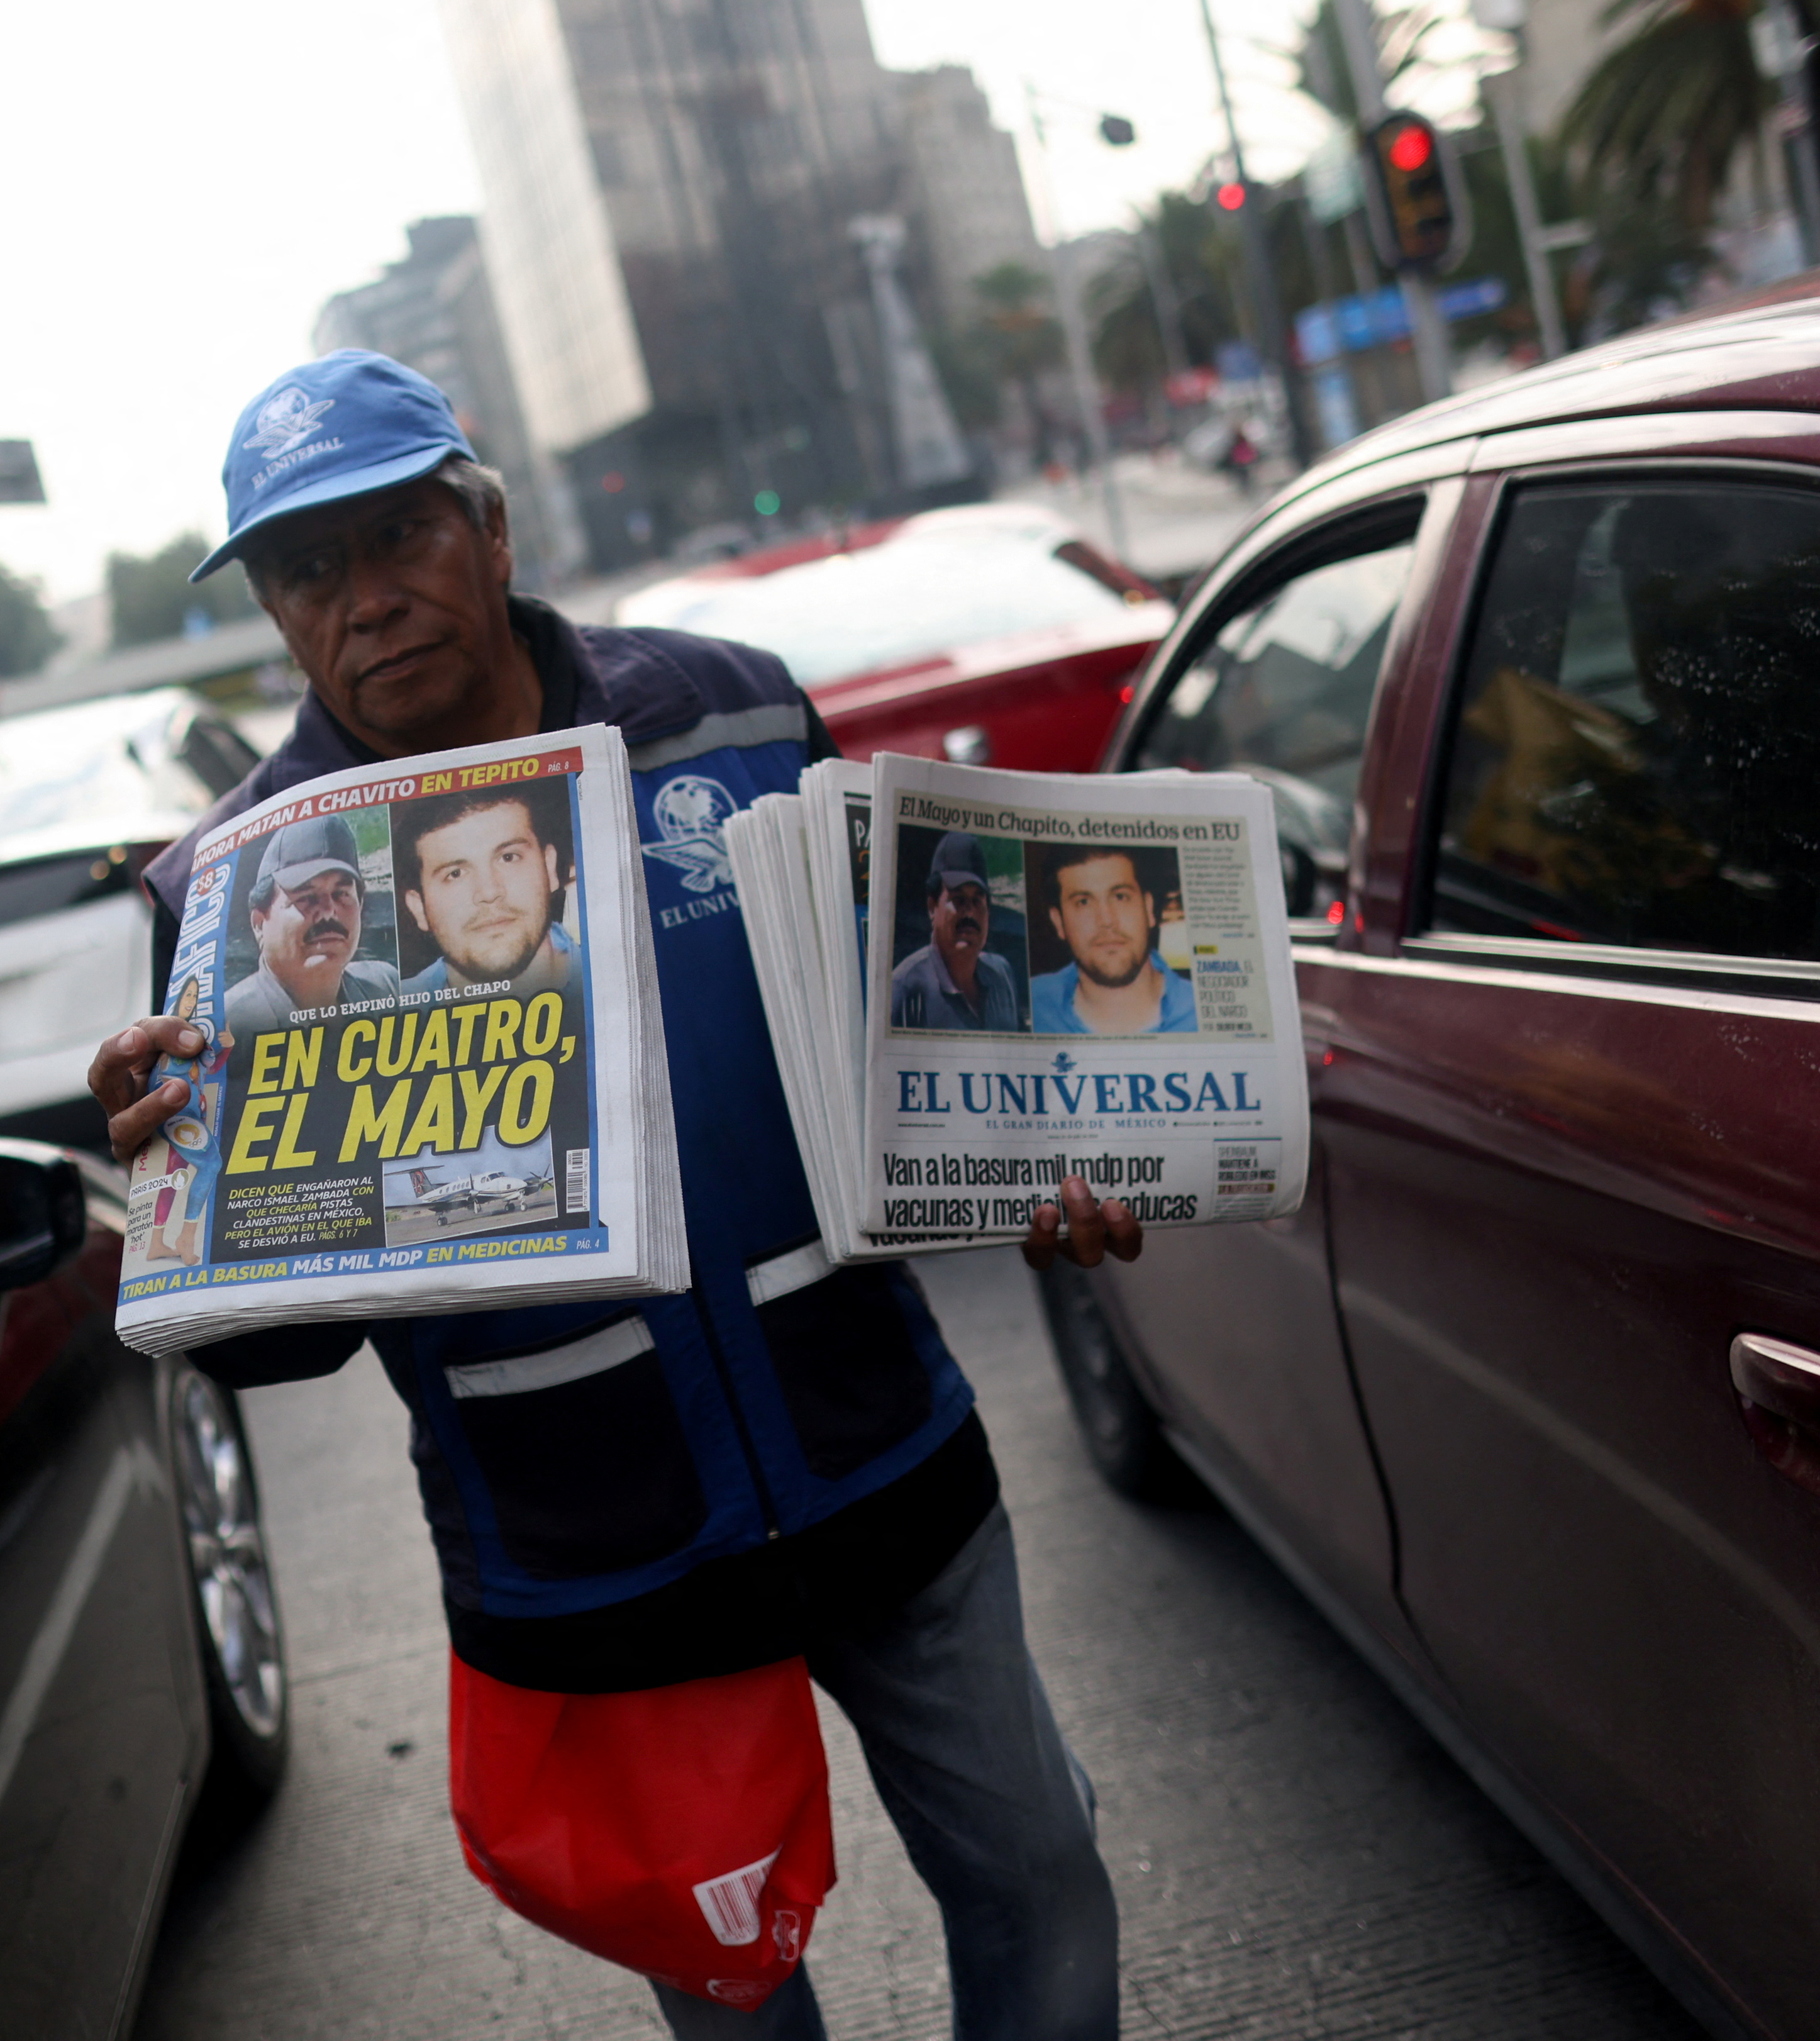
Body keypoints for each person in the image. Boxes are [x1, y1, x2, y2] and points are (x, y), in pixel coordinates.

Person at [84, 350, 1144, 2041]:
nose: (364, 598)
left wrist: (1045, 1162)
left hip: (878, 1446)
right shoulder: (239, 886)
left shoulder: (730, 707)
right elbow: (272, 1356)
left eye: (397, 534)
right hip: (598, 1538)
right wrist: (186, 1196)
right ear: (274, 614)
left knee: (1039, 1877)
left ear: (486, 526)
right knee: (733, 1997)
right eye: (307, 569)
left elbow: (914, 1044)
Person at [397, 780, 583, 1001]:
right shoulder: (391, 1009)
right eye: (455, 874)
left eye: (508, 858)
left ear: (549, 868)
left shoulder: (613, 975)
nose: (489, 892)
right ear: (419, 908)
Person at [218, 812, 399, 1039]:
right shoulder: (227, 1026)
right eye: (306, 897)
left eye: (341, 894)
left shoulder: (386, 987)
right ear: (259, 924)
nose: (328, 911)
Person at [1030, 845, 1197, 1036]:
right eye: (1083, 902)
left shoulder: (1198, 1010)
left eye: (1120, 897)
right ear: (1059, 922)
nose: (1106, 920)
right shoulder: (1034, 1003)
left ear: (1149, 908)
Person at [885, 832, 1022, 1032]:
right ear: (933, 907)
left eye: (978, 900)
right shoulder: (904, 988)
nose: (970, 911)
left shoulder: (1002, 975)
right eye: (958, 899)